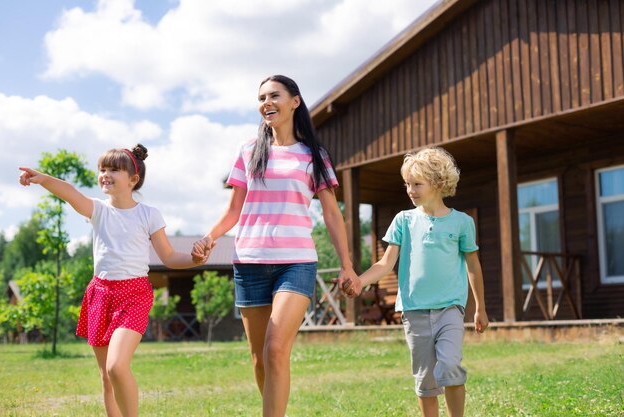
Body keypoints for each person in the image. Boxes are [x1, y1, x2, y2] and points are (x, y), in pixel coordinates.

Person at [192, 74, 361, 417]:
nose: (266, 103)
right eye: (261, 98)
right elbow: (234, 209)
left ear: (295, 101)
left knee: (275, 349)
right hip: (249, 261)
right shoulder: (248, 151)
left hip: (295, 262)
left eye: (274, 95)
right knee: (258, 359)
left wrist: (346, 264)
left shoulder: (314, 155)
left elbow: (331, 212)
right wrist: (209, 238)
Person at [19, 144, 206, 417]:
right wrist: (43, 178)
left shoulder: (149, 214)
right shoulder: (98, 210)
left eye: (114, 170)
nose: (105, 174)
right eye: (102, 169)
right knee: (107, 379)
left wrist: (195, 260)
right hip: (101, 294)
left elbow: (168, 257)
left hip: (134, 295)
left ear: (133, 179)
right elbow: (70, 193)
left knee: (116, 367)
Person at [354, 147, 489, 417]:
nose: (410, 190)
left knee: (450, 366)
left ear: (438, 183)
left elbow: (473, 264)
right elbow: (385, 264)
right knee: (425, 379)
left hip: (450, 308)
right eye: (407, 184)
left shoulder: (462, 222)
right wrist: (359, 281)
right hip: (414, 311)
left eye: (417, 184)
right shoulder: (403, 220)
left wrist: (480, 308)